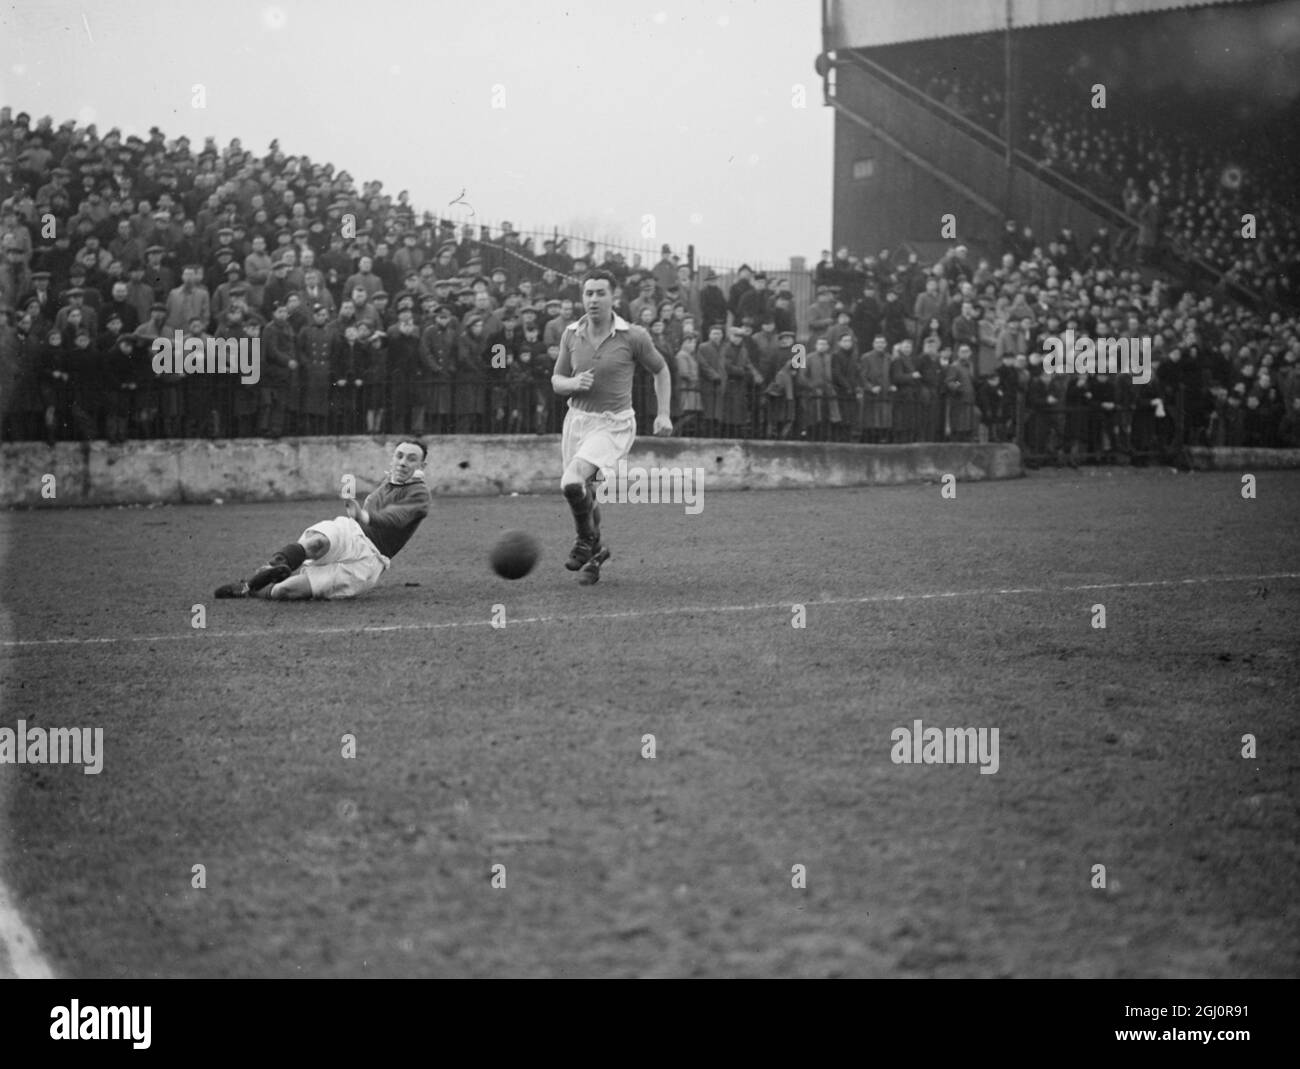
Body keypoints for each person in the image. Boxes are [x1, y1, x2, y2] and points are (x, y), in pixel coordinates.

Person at [551, 269, 672, 585]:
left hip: (613, 425)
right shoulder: (570, 333)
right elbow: (556, 381)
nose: (593, 299)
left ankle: (583, 542)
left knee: (571, 481)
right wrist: (573, 382)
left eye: (600, 293)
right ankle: (596, 552)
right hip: (576, 422)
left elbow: (661, 371)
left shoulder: (633, 336)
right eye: (588, 293)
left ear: (613, 297)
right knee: (584, 490)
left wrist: (663, 414)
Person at [214, 439, 431, 600]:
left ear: (422, 466)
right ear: (392, 457)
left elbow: (396, 517)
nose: (403, 463)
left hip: (371, 558)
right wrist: (358, 515)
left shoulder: (420, 494)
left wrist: (364, 515)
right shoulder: (390, 478)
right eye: (399, 456)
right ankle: (267, 572)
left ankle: (260, 589)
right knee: (317, 542)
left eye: (412, 459)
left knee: (285, 591)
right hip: (352, 531)